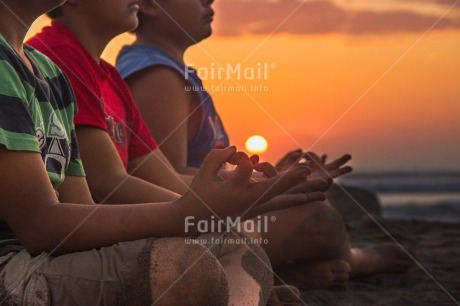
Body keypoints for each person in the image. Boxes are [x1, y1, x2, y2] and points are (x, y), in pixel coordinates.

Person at [0, 0, 317, 304]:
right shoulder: (41, 58)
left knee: (239, 250)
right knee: (186, 267)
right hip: (11, 267)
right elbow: (44, 223)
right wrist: (190, 213)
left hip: (47, 257)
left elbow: (81, 207)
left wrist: (238, 195)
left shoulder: (51, 74)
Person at [115, 0, 416, 288]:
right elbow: (161, 180)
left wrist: (271, 177)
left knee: (309, 193)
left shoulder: (166, 70)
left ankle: (281, 269)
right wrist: (266, 185)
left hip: (211, 210)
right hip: (194, 217)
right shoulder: (158, 76)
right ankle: (359, 260)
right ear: (151, 5)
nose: (210, 1)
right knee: (317, 213)